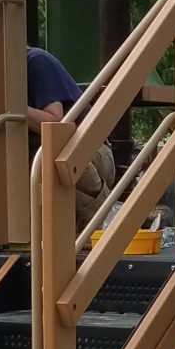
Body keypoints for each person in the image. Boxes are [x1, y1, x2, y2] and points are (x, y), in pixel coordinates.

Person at [26, 44, 118, 229]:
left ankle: (109, 221)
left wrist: (11, 107)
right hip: (53, 155)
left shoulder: (34, 61)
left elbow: (55, 120)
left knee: (52, 153)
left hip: (92, 151)